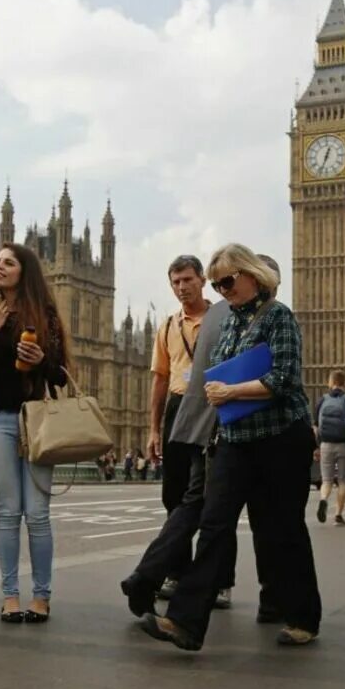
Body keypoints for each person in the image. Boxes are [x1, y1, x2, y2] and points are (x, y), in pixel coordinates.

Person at [140, 244, 321, 651]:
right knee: (214, 525)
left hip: (280, 439)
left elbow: (285, 379)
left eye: (227, 281)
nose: (221, 290)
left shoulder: (278, 317)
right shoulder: (227, 324)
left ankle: (303, 617)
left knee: (283, 530)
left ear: (251, 276)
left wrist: (233, 389)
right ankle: (184, 622)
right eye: (217, 284)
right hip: (235, 441)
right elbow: (212, 375)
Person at [0, 243, 68, 624]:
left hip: (38, 420)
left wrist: (43, 361)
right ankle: (9, 595)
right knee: (9, 513)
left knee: (38, 514)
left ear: (24, 271)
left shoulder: (44, 314)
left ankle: (41, 596)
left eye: (8, 262)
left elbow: (60, 374)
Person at [141, 255, 229, 605]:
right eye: (176, 281)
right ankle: (177, 574)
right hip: (178, 408)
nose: (182, 287)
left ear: (202, 280)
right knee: (174, 498)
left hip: (213, 405)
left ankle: (219, 581)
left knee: (214, 501)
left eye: (188, 280)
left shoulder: (223, 319)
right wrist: (153, 429)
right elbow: (160, 378)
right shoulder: (167, 326)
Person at [313, 370, 345, 526]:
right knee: (343, 481)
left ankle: (324, 499)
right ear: (344, 383)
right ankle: (338, 515)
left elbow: (315, 427)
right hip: (343, 444)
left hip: (326, 444)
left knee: (326, 480)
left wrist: (317, 445)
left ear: (330, 382)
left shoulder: (321, 400)